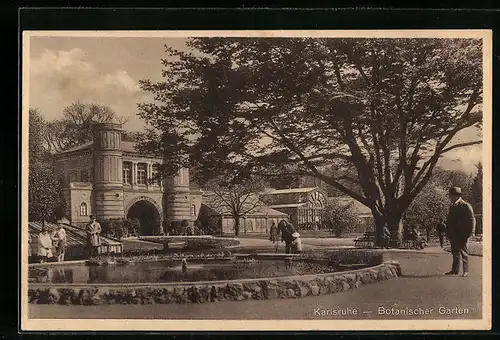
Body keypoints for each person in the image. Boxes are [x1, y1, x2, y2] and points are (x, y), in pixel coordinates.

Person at [445, 186, 475, 277]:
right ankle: (455, 270)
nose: (450, 198)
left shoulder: (465, 205)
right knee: (455, 253)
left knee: (464, 253)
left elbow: (472, 220)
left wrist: (470, 232)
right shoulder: (452, 206)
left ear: (456, 196)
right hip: (453, 234)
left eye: (451, 196)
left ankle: (465, 271)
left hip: (463, 234)